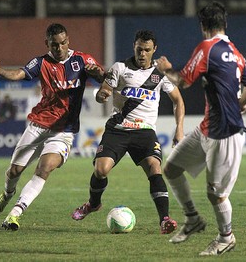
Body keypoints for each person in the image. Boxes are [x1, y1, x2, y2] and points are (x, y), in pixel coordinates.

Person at [154, 2, 246, 256]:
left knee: (216, 194)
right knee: (171, 167)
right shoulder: (235, 52)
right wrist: (240, 102)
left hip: (225, 131)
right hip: (207, 128)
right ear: (224, 24)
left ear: (203, 26)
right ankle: (193, 219)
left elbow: (183, 81)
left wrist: (165, 69)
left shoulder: (207, 47)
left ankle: (226, 237)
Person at [0, 23, 105, 231]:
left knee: (45, 168)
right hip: (38, 126)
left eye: (62, 43)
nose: (59, 48)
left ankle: (14, 215)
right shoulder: (41, 62)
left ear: (68, 41)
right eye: (54, 45)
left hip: (64, 131)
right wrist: (1, 71)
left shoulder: (82, 60)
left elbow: (103, 78)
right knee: (14, 171)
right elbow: (19, 74)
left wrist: (97, 73)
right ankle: (7, 194)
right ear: (47, 44)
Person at [71, 30, 184, 234]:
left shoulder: (159, 75)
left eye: (147, 50)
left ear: (154, 50)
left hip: (145, 132)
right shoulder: (120, 68)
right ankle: (93, 204)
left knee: (154, 167)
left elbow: (178, 100)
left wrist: (180, 129)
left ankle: (164, 219)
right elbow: (104, 89)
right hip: (119, 130)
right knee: (101, 170)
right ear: (134, 46)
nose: (142, 54)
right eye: (139, 49)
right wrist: (103, 95)